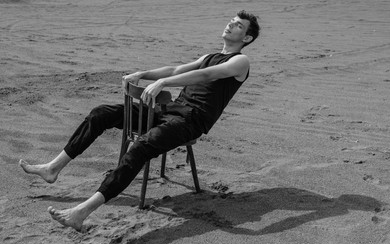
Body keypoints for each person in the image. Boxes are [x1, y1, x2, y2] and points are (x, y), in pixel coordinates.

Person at [19, 10, 260, 231]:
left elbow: (207, 74)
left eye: (238, 25)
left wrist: (163, 84)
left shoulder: (241, 61)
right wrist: (143, 74)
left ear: (246, 38)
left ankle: (81, 212)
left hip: (191, 121)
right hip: (168, 110)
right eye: (231, 21)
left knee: (141, 147)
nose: (231, 24)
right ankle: (53, 168)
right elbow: (176, 69)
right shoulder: (211, 55)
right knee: (101, 113)